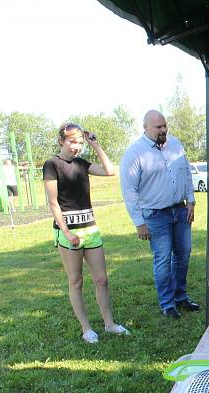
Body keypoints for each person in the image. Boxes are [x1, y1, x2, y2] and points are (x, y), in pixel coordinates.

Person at [43, 123, 129, 343]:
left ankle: (109, 324)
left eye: (80, 142)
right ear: (61, 140)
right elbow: (53, 203)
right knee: (77, 281)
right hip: (69, 231)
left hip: (90, 228)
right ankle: (87, 329)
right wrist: (66, 232)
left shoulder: (82, 163)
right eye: (73, 141)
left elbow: (109, 171)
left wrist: (96, 145)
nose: (76, 147)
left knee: (101, 279)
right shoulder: (52, 164)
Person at [120, 110, 199, 319]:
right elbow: (129, 192)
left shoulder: (175, 145)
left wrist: (191, 200)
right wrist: (139, 222)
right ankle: (167, 304)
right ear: (145, 127)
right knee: (163, 259)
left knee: (183, 255)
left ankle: (181, 297)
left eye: (165, 125)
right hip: (155, 215)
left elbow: (185, 173)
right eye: (158, 127)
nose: (163, 130)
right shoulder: (135, 153)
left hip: (180, 211)